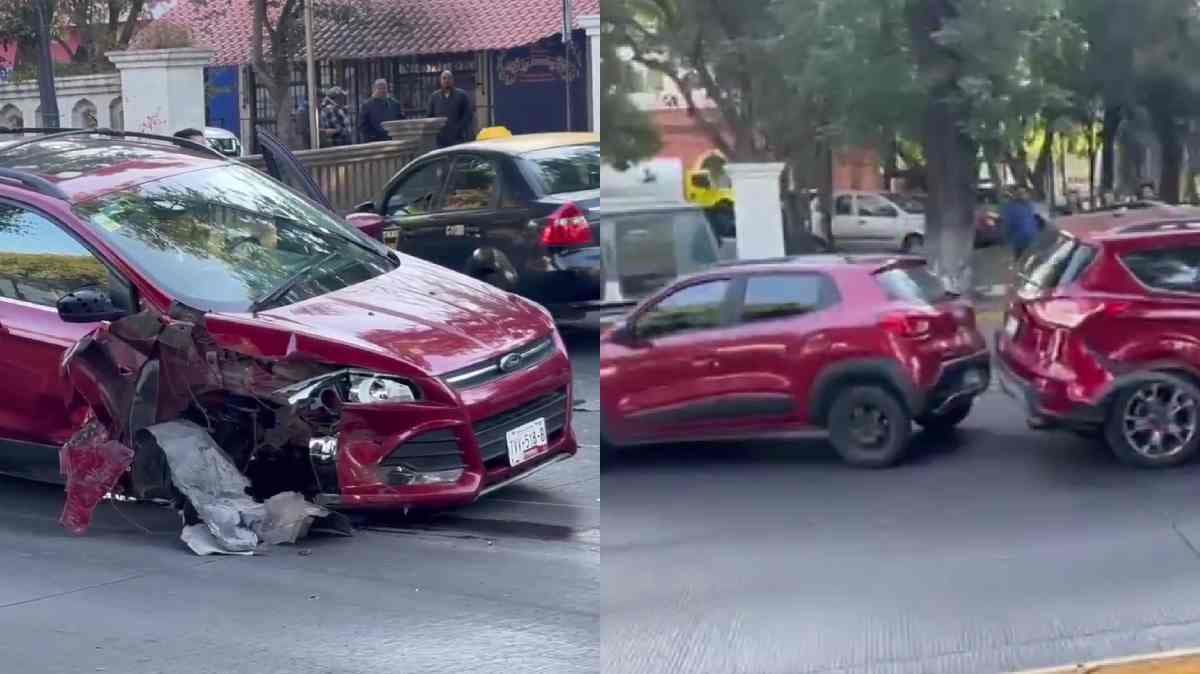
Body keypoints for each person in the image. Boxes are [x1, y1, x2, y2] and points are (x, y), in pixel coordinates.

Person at [427, 70, 473, 148]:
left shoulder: (462, 95)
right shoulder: (434, 97)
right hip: (440, 140)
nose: (446, 81)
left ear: (453, 80)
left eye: (449, 78)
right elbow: (430, 116)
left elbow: (468, 115)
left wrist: (459, 129)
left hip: (458, 139)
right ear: (440, 81)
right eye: (444, 78)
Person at [358, 79, 404, 143]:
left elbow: (401, 120)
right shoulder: (367, 105)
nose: (383, 90)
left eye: (384, 88)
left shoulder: (395, 104)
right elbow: (363, 125)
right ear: (374, 89)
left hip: (393, 139)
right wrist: (372, 136)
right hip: (375, 141)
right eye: (380, 88)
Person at [1001, 186, 1039, 260]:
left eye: (1025, 192)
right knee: (1021, 260)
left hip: (1031, 240)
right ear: (1016, 194)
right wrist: (1006, 238)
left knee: (1031, 262)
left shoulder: (1030, 205)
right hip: (1019, 241)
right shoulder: (1011, 207)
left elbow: (1033, 220)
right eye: (1020, 193)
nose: (1023, 194)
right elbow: (1008, 224)